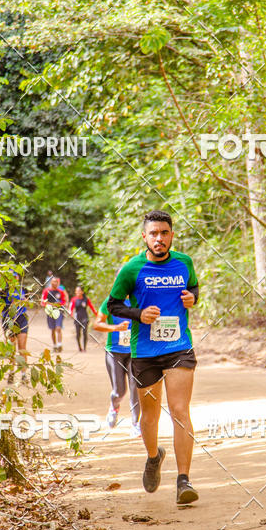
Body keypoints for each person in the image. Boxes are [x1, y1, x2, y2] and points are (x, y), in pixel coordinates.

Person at [106, 210, 199, 505]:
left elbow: (194, 287)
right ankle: (153, 456)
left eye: (164, 233)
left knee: (180, 411)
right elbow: (113, 305)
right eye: (154, 233)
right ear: (144, 237)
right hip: (144, 352)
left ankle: (183, 481)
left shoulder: (184, 262)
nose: (159, 238)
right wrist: (139, 314)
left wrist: (193, 297)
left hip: (179, 348)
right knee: (150, 416)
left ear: (171, 235)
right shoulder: (132, 269)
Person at [93, 297, 141, 437]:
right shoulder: (110, 301)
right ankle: (114, 407)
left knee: (135, 387)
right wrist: (116, 328)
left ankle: (136, 424)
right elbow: (97, 324)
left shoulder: (138, 299)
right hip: (114, 352)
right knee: (120, 391)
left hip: (134, 352)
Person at [0, 273, 29, 385]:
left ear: (18, 278)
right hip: (9, 319)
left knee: (22, 348)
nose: (14, 279)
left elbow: (28, 301)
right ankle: (11, 373)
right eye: (11, 277)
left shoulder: (23, 289)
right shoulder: (3, 291)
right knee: (11, 348)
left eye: (15, 277)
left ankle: (23, 375)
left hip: (22, 318)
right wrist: (9, 305)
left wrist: (24, 301)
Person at [41, 275, 68, 352]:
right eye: (53, 281)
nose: (55, 283)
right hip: (50, 312)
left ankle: (59, 345)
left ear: (58, 283)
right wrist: (49, 305)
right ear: (51, 282)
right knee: (52, 330)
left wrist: (60, 304)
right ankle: (55, 345)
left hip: (59, 311)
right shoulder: (46, 291)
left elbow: (64, 301)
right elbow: (42, 302)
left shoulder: (60, 291)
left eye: (56, 282)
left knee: (58, 328)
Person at [69, 286, 97, 352]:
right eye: (76, 291)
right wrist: (71, 313)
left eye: (79, 291)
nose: (77, 292)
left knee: (85, 332)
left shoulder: (86, 299)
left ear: (82, 292)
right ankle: (79, 347)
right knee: (78, 334)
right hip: (77, 318)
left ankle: (84, 348)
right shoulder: (74, 299)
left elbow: (92, 307)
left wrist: (97, 314)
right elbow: (71, 308)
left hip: (85, 318)